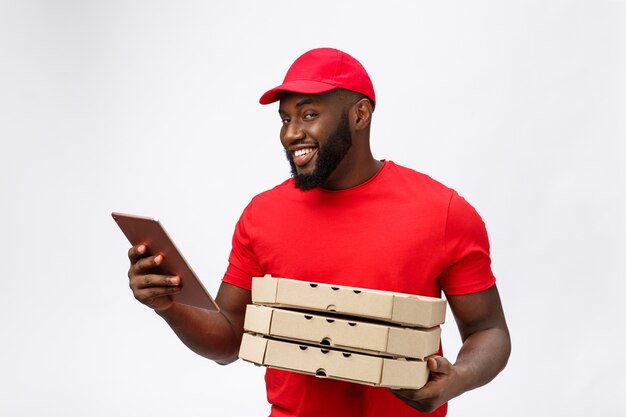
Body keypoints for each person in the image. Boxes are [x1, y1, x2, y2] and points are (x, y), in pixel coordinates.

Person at [126, 48, 511, 417]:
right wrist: (170, 306)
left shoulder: (442, 212)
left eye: (309, 115)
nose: (292, 133)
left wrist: (456, 379)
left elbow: (488, 329)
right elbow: (229, 341)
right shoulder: (262, 215)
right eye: (284, 119)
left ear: (360, 115)